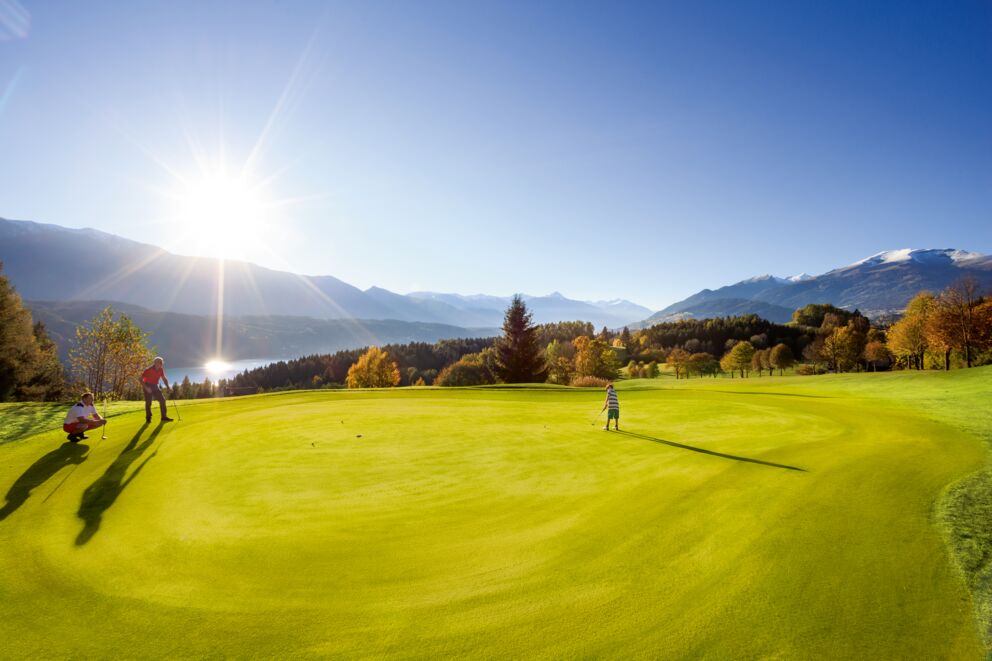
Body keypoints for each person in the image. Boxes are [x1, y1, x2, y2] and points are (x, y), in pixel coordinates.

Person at [141, 356, 173, 423]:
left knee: (162, 400)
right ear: (155, 363)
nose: (160, 364)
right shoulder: (148, 370)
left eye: (161, 363)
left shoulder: (161, 369)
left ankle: (164, 417)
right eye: (159, 363)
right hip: (147, 385)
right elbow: (140, 379)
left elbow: (164, 378)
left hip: (155, 386)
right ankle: (148, 418)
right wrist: (146, 388)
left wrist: (168, 386)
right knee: (148, 402)